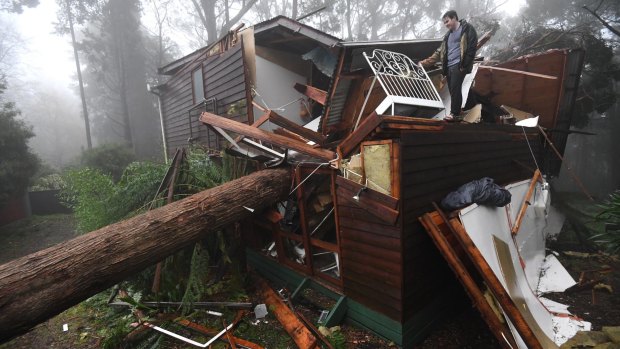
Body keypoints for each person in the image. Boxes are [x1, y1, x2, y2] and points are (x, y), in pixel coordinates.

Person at [420, 10, 478, 121]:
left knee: (455, 89)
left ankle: (454, 114)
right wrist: (424, 63)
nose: (446, 24)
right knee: (453, 90)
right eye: (444, 23)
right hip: (449, 67)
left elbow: (472, 47)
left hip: (459, 65)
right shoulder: (447, 36)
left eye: (447, 21)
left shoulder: (467, 29)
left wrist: (464, 64)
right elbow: (439, 52)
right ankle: (459, 112)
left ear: (455, 18)